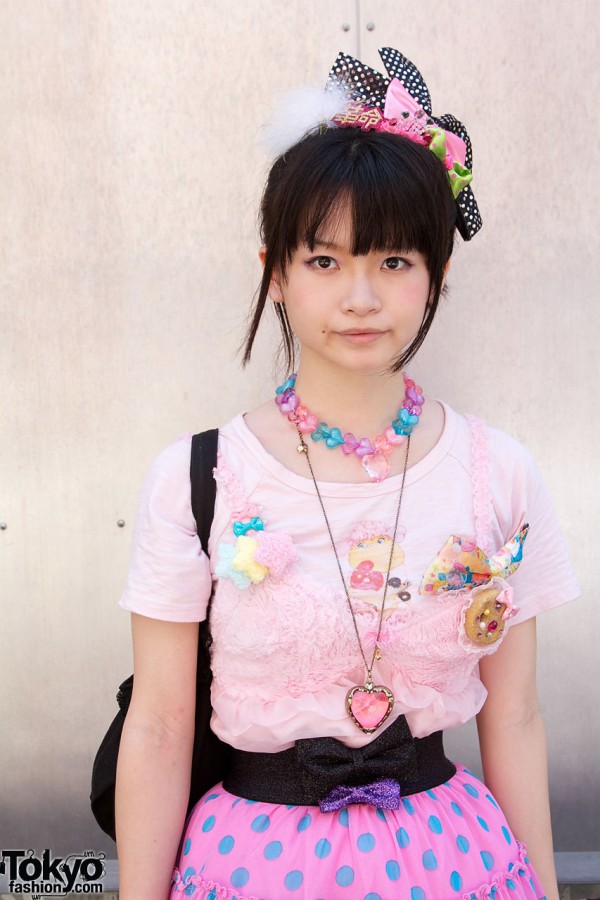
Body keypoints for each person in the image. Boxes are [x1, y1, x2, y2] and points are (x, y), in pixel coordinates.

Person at [114, 48, 579, 900]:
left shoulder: (498, 473)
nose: (361, 297)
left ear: (437, 271)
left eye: (394, 261)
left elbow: (512, 715)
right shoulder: (198, 476)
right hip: (252, 865)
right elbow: (160, 726)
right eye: (325, 261)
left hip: (457, 864)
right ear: (277, 275)